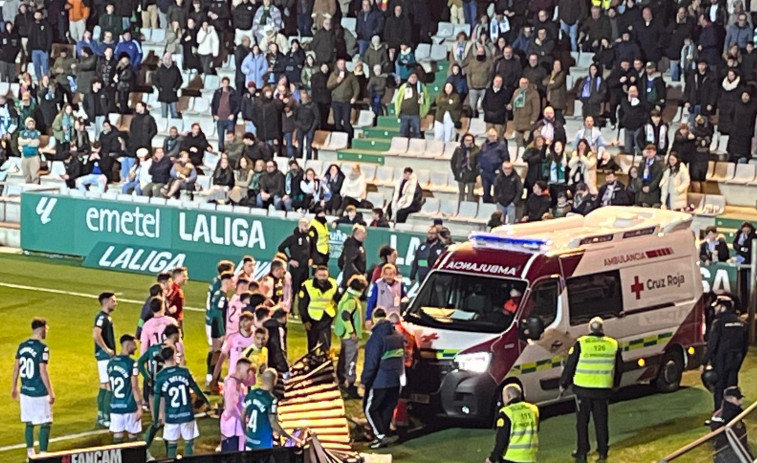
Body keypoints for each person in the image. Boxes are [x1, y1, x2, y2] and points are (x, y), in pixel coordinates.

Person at [560, 317, 623, 462]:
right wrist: (615, 385)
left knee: (582, 422)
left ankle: (582, 451)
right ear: (602, 329)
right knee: (601, 421)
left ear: (589, 329)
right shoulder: (612, 344)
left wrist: (564, 383)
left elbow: (570, 365)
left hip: (583, 389)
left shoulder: (581, 343)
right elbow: (619, 367)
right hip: (602, 389)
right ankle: (602, 451)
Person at [154, 346, 209, 457]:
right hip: (187, 414)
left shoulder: (159, 377)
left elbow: (157, 400)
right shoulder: (184, 372)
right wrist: (205, 400)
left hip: (171, 416)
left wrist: (156, 418)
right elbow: (196, 389)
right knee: (189, 443)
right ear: (174, 356)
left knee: (172, 445)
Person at [362, 308, 405, 449]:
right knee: (387, 408)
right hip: (395, 380)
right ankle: (384, 433)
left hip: (379, 381)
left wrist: (365, 381)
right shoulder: (398, 336)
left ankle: (380, 436)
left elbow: (371, 363)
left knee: (370, 409)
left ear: (374, 319)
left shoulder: (376, 338)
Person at [12, 318, 54, 459]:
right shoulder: (43, 348)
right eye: (46, 329)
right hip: (39, 392)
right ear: (42, 329)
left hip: (25, 390)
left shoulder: (22, 346)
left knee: (29, 422)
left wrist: (14, 387)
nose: (46, 331)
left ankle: (30, 452)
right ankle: (43, 453)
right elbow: (42, 370)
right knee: (46, 422)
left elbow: (16, 367)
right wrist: (50, 391)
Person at [705, 295, 749, 412]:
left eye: (717, 307)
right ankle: (732, 413)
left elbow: (712, 345)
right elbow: (745, 346)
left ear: (723, 307)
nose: (715, 309)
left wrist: (705, 362)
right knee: (731, 386)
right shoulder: (742, 323)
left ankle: (719, 414)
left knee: (719, 387)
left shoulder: (718, 323)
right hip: (736, 358)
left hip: (722, 358)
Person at [243, 369, 296, 449]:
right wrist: (289, 436)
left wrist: (245, 433)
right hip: (263, 445)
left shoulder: (250, 394)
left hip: (249, 442)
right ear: (275, 381)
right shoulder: (271, 399)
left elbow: (242, 416)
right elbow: (273, 423)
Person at [486, 384, 539, 463]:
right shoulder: (533, 409)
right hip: (530, 456)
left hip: (511, 457)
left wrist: (492, 458)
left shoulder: (506, 412)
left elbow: (502, 439)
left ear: (508, 396)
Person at [336, 275, 369, 399]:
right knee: (351, 360)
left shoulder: (347, 295)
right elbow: (345, 316)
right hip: (348, 336)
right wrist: (352, 332)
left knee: (344, 358)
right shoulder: (352, 300)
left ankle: (342, 380)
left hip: (343, 334)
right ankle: (350, 384)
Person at [107, 334, 143, 443]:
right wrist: (140, 407)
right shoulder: (132, 364)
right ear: (129, 344)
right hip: (130, 406)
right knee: (133, 436)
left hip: (115, 406)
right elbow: (134, 387)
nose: (136, 348)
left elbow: (109, 386)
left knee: (117, 436)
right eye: (134, 345)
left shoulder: (110, 363)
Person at [299, 266, 339, 351]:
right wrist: (305, 320)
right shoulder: (307, 285)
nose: (322, 277)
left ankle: (325, 362)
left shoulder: (333, 284)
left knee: (326, 344)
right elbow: (302, 305)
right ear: (315, 275)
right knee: (312, 345)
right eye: (320, 275)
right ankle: (311, 362)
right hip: (312, 319)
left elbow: (338, 299)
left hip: (327, 316)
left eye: (324, 275)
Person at [93, 292, 118, 428]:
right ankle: (107, 417)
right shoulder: (102, 318)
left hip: (102, 357)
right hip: (104, 357)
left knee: (104, 385)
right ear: (106, 301)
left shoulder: (104, 317)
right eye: (113, 301)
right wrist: (106, 349)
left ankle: (101, 415)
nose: (116, 303)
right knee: (109, 385)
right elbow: (96, 334)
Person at [710, 386, 753, 462]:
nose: (741, 402)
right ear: (731, 399)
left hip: (729, 452)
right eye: (738, 399)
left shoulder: (724, 413)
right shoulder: (729, 414)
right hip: (729, 454)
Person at [206, 271, 233, 387]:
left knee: (216, 353)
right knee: (217, 353)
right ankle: (212, 379)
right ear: (227, 282)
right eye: (232, 281)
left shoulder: (219, 294)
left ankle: (212, 377)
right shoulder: (221, 296)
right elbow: (217, 314)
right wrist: (222, 332)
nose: (234, 284)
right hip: (217, 328)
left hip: (215, 327)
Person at [220, 357, 251, 452]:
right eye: (247, 370)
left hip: (238, 427)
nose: (249, 373)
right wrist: (242, 418)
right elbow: (230, 407)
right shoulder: (231, 383)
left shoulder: (241, 384)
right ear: (239, 369)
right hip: (232, 428)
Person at [278, 218, 312, 300]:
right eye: (305, 226)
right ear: (300, 226)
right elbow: (281, 248)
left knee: (304, 290)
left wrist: (311, 258)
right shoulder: (292, 238)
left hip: (305, 268)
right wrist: (289, 260)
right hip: (295, 269)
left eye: (308, 226)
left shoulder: (309, 238)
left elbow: (312, 249)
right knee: (293, 289)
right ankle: (291, 308)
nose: (307, 228)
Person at [328, 59, 360, 141]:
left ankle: (350, 140)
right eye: (341, 64)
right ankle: (340, 140)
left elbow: (356, 87)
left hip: (346, 101)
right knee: (337, 123)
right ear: (337, 65)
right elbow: (329, 86)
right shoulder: (333, 75)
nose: (342, 65)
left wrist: (354, 97)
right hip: (336, 101)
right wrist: (337, 81)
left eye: (343, 64)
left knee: (346, 122)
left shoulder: (350, 75)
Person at [393, 72, 430, 139]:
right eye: (411, 77)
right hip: (404, 114)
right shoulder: (403, 87)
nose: (413, 79)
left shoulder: (421, 87)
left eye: (414, 77)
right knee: (403, 134)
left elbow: (427, 99)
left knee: (417, 134)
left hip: (415, 115)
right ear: (408, 78)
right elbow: (397, 99)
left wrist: (424, 112)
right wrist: (397, 111)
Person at [478, 129, 509, 203]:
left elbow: (506, 158)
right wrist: (480, 168)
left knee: (497, 192)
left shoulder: (502, 145)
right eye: (490, 136)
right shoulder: (484, 145)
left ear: (496, 136)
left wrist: (500, 169)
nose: (491, 137)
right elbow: (479, 157)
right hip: (485, 172)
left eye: (493, 136)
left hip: (496, 172)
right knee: (485, 192)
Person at [338, 224, 367, 288]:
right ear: (357, 233)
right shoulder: (351, 246)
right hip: (352, 280)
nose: (365, 235)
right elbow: (349, 262)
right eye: (364, 233)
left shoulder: (359, 245)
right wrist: (358, 275)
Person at [18, 117, 41, 184]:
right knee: (26, 174)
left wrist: (25, 143)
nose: (31, 125)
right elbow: (20, 142)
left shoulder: (37, 133)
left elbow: (36, 143)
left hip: (34, 157)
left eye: (32, 124)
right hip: (25, 157)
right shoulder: (22, 133)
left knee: (34, 175)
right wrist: (28, 141)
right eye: (29, 124)